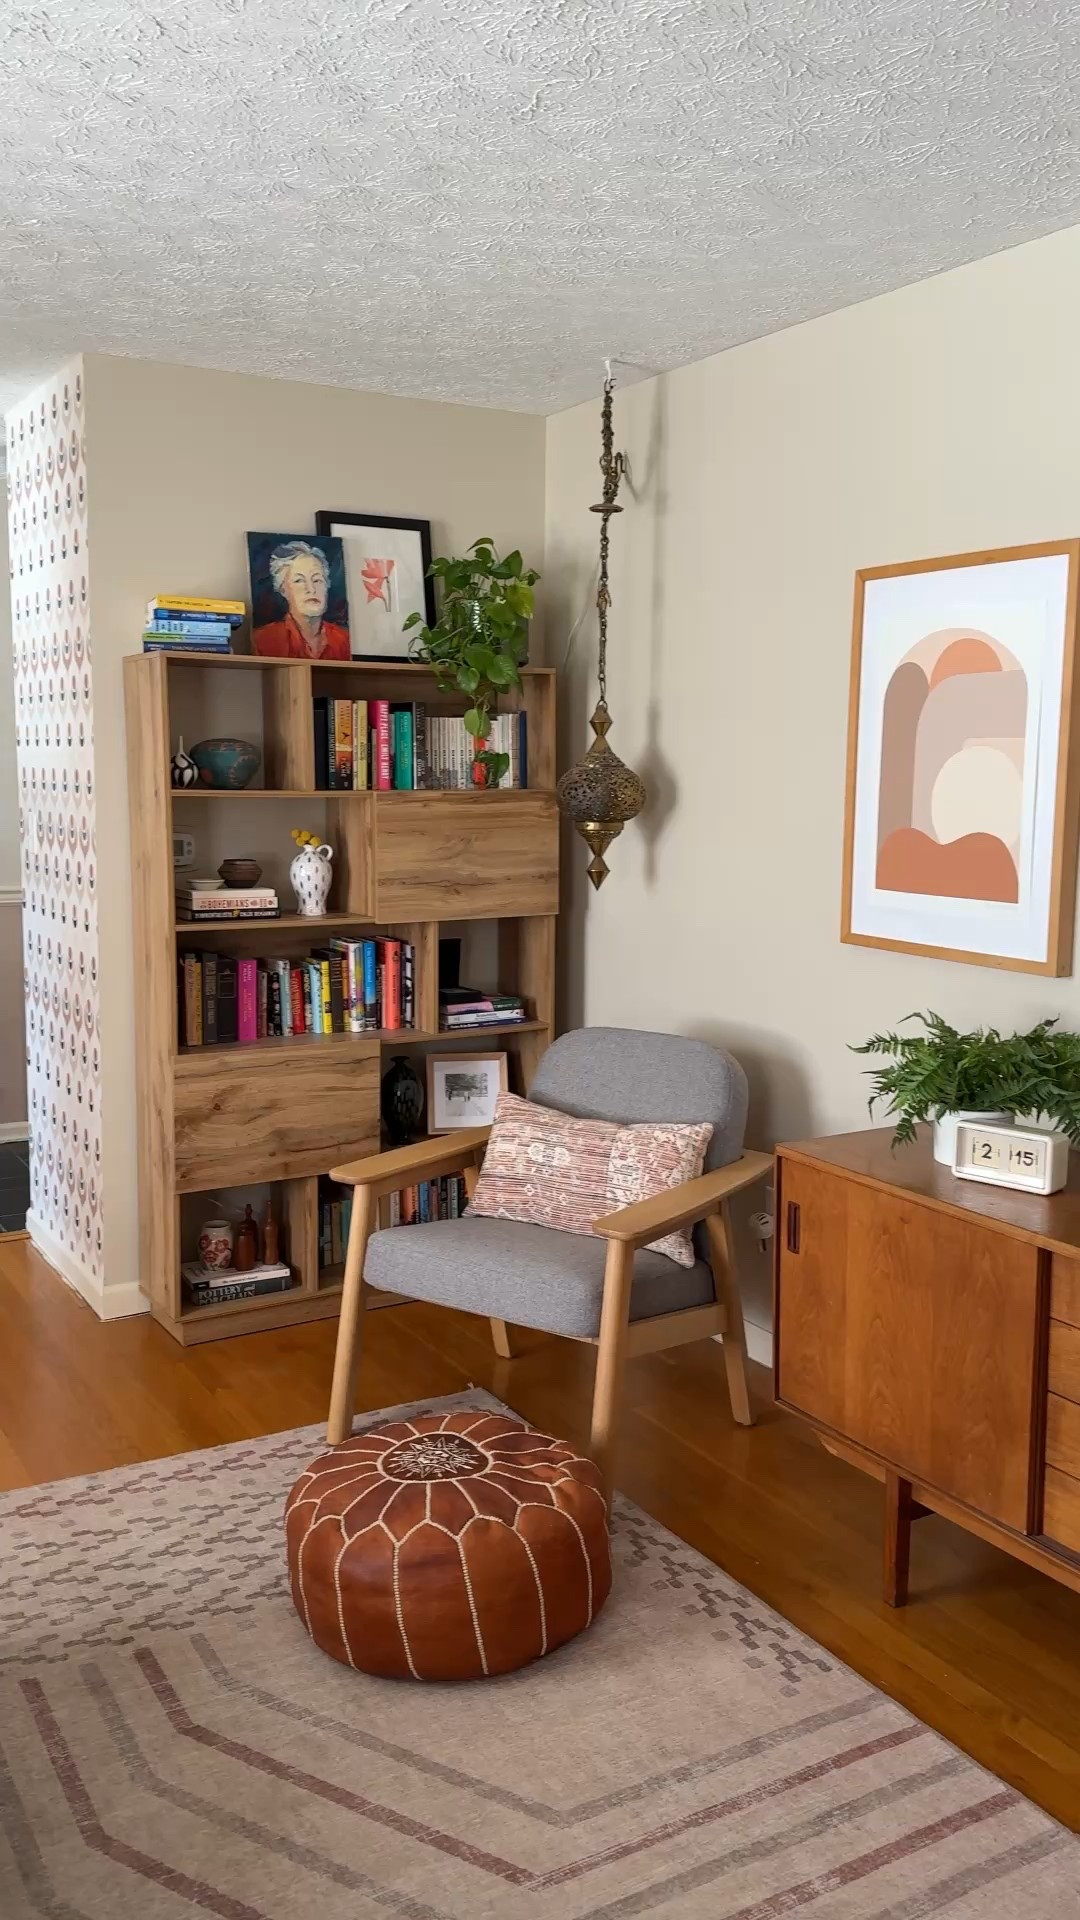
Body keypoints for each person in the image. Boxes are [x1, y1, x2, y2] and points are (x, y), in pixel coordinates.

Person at [254, 540, 350, 659]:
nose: (311, 589)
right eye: (299, 580)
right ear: (283, 590)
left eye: (317, 580)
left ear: (326, 586)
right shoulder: (264, 640)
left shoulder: (343, 640)